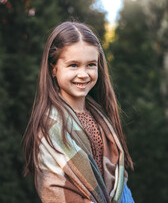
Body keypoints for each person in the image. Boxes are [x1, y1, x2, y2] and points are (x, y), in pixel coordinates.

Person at [23, 21, 134, 203]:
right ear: (54, 68)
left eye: (91, 64)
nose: (83, 74)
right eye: (73, 65)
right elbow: (53, 188)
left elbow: (118, 179)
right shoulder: (50, 126)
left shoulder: (100, 117)